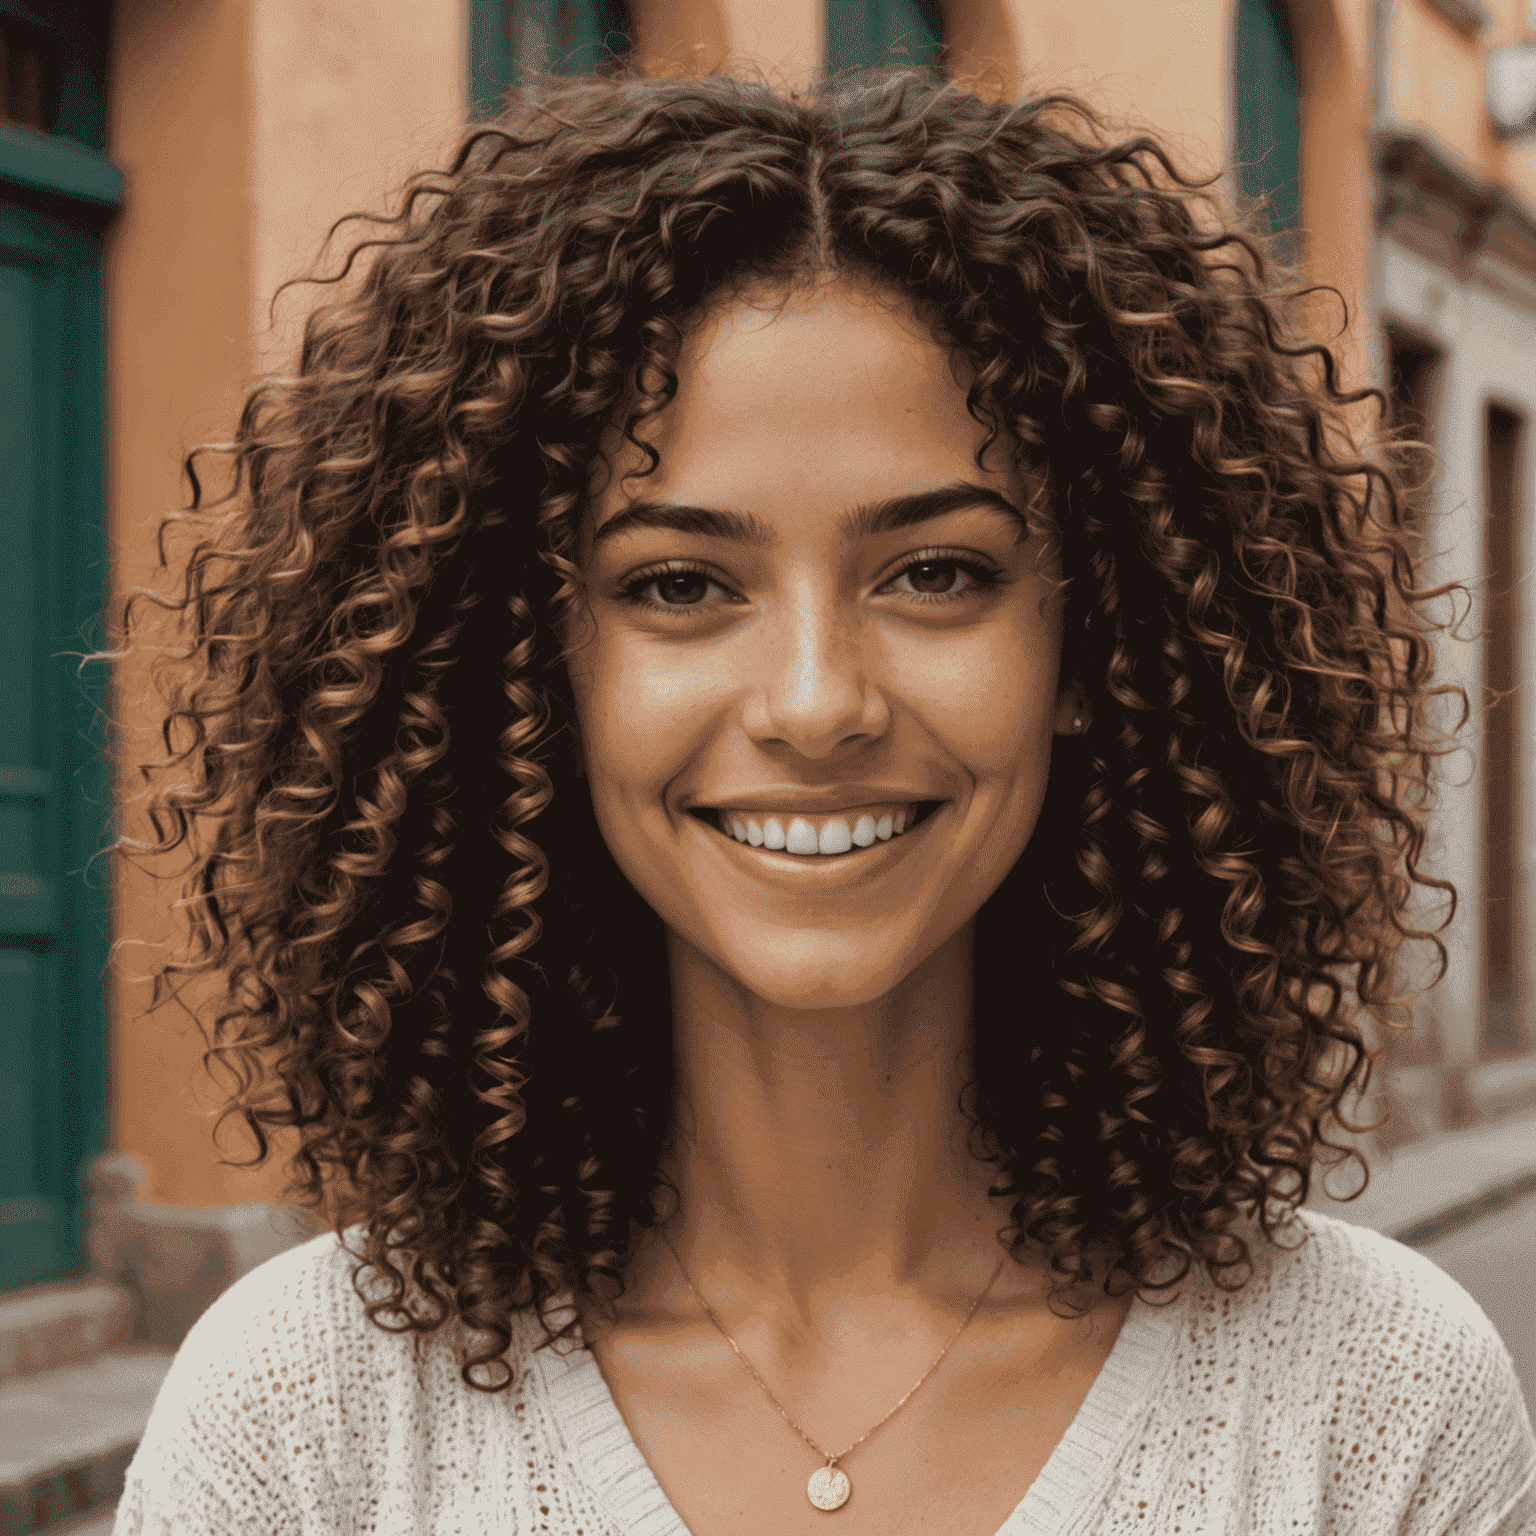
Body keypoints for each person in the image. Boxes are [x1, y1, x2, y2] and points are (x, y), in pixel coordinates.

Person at [108, 66, 1534, 1535]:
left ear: (1095, 641)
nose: (814, 701)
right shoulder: (305, 1421)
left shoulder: (1376, 1409)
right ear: (530, 670)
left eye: (937, 574)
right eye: (678, 584)